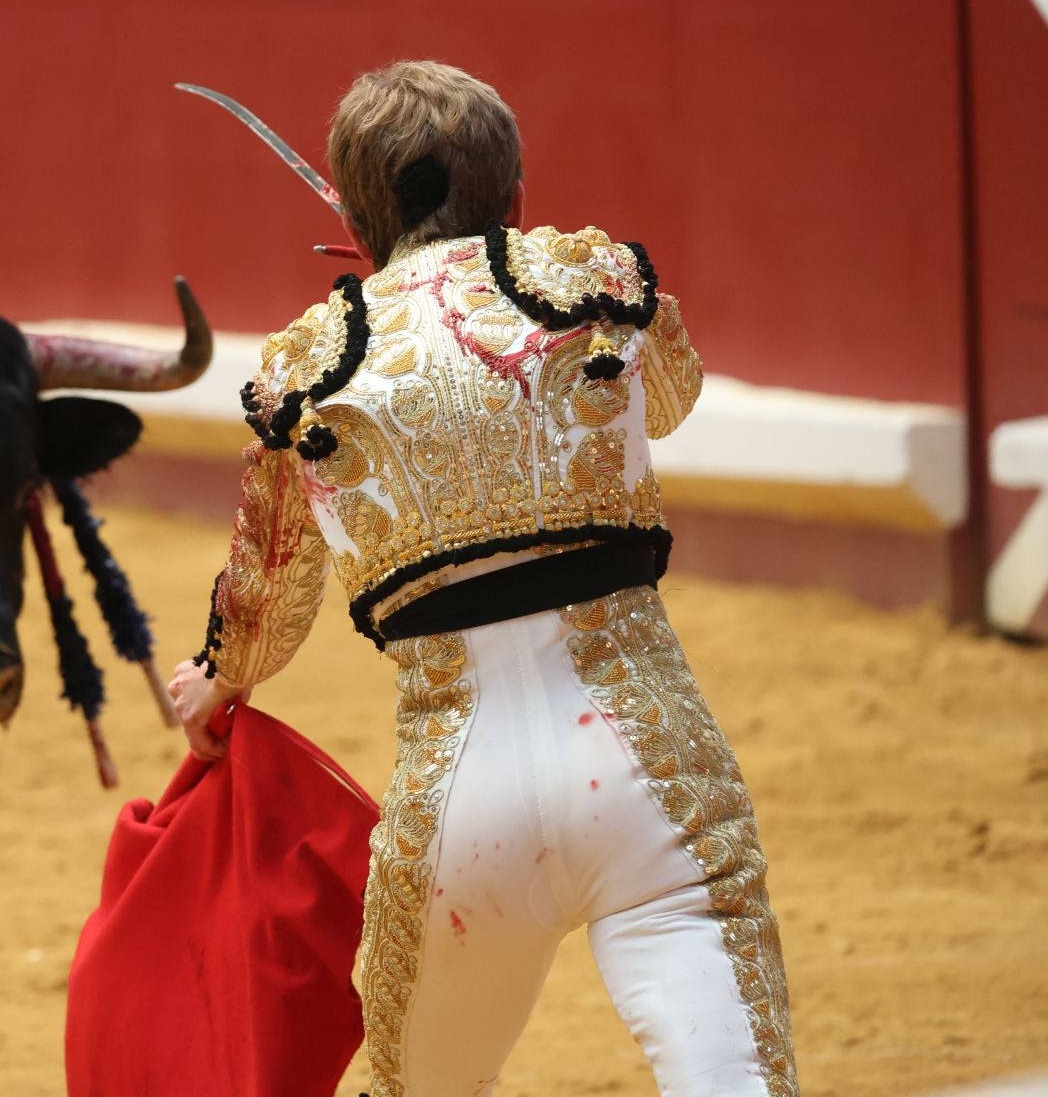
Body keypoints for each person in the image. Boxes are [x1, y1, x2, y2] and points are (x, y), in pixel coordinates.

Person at [166, 61, 797, 1097]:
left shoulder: (309, 368)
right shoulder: (592, 282)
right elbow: (672, 396)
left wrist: (217, 672)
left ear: (358, 221)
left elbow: (269, 577)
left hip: (458, 809)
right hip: (654, 775)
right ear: (514, 196)